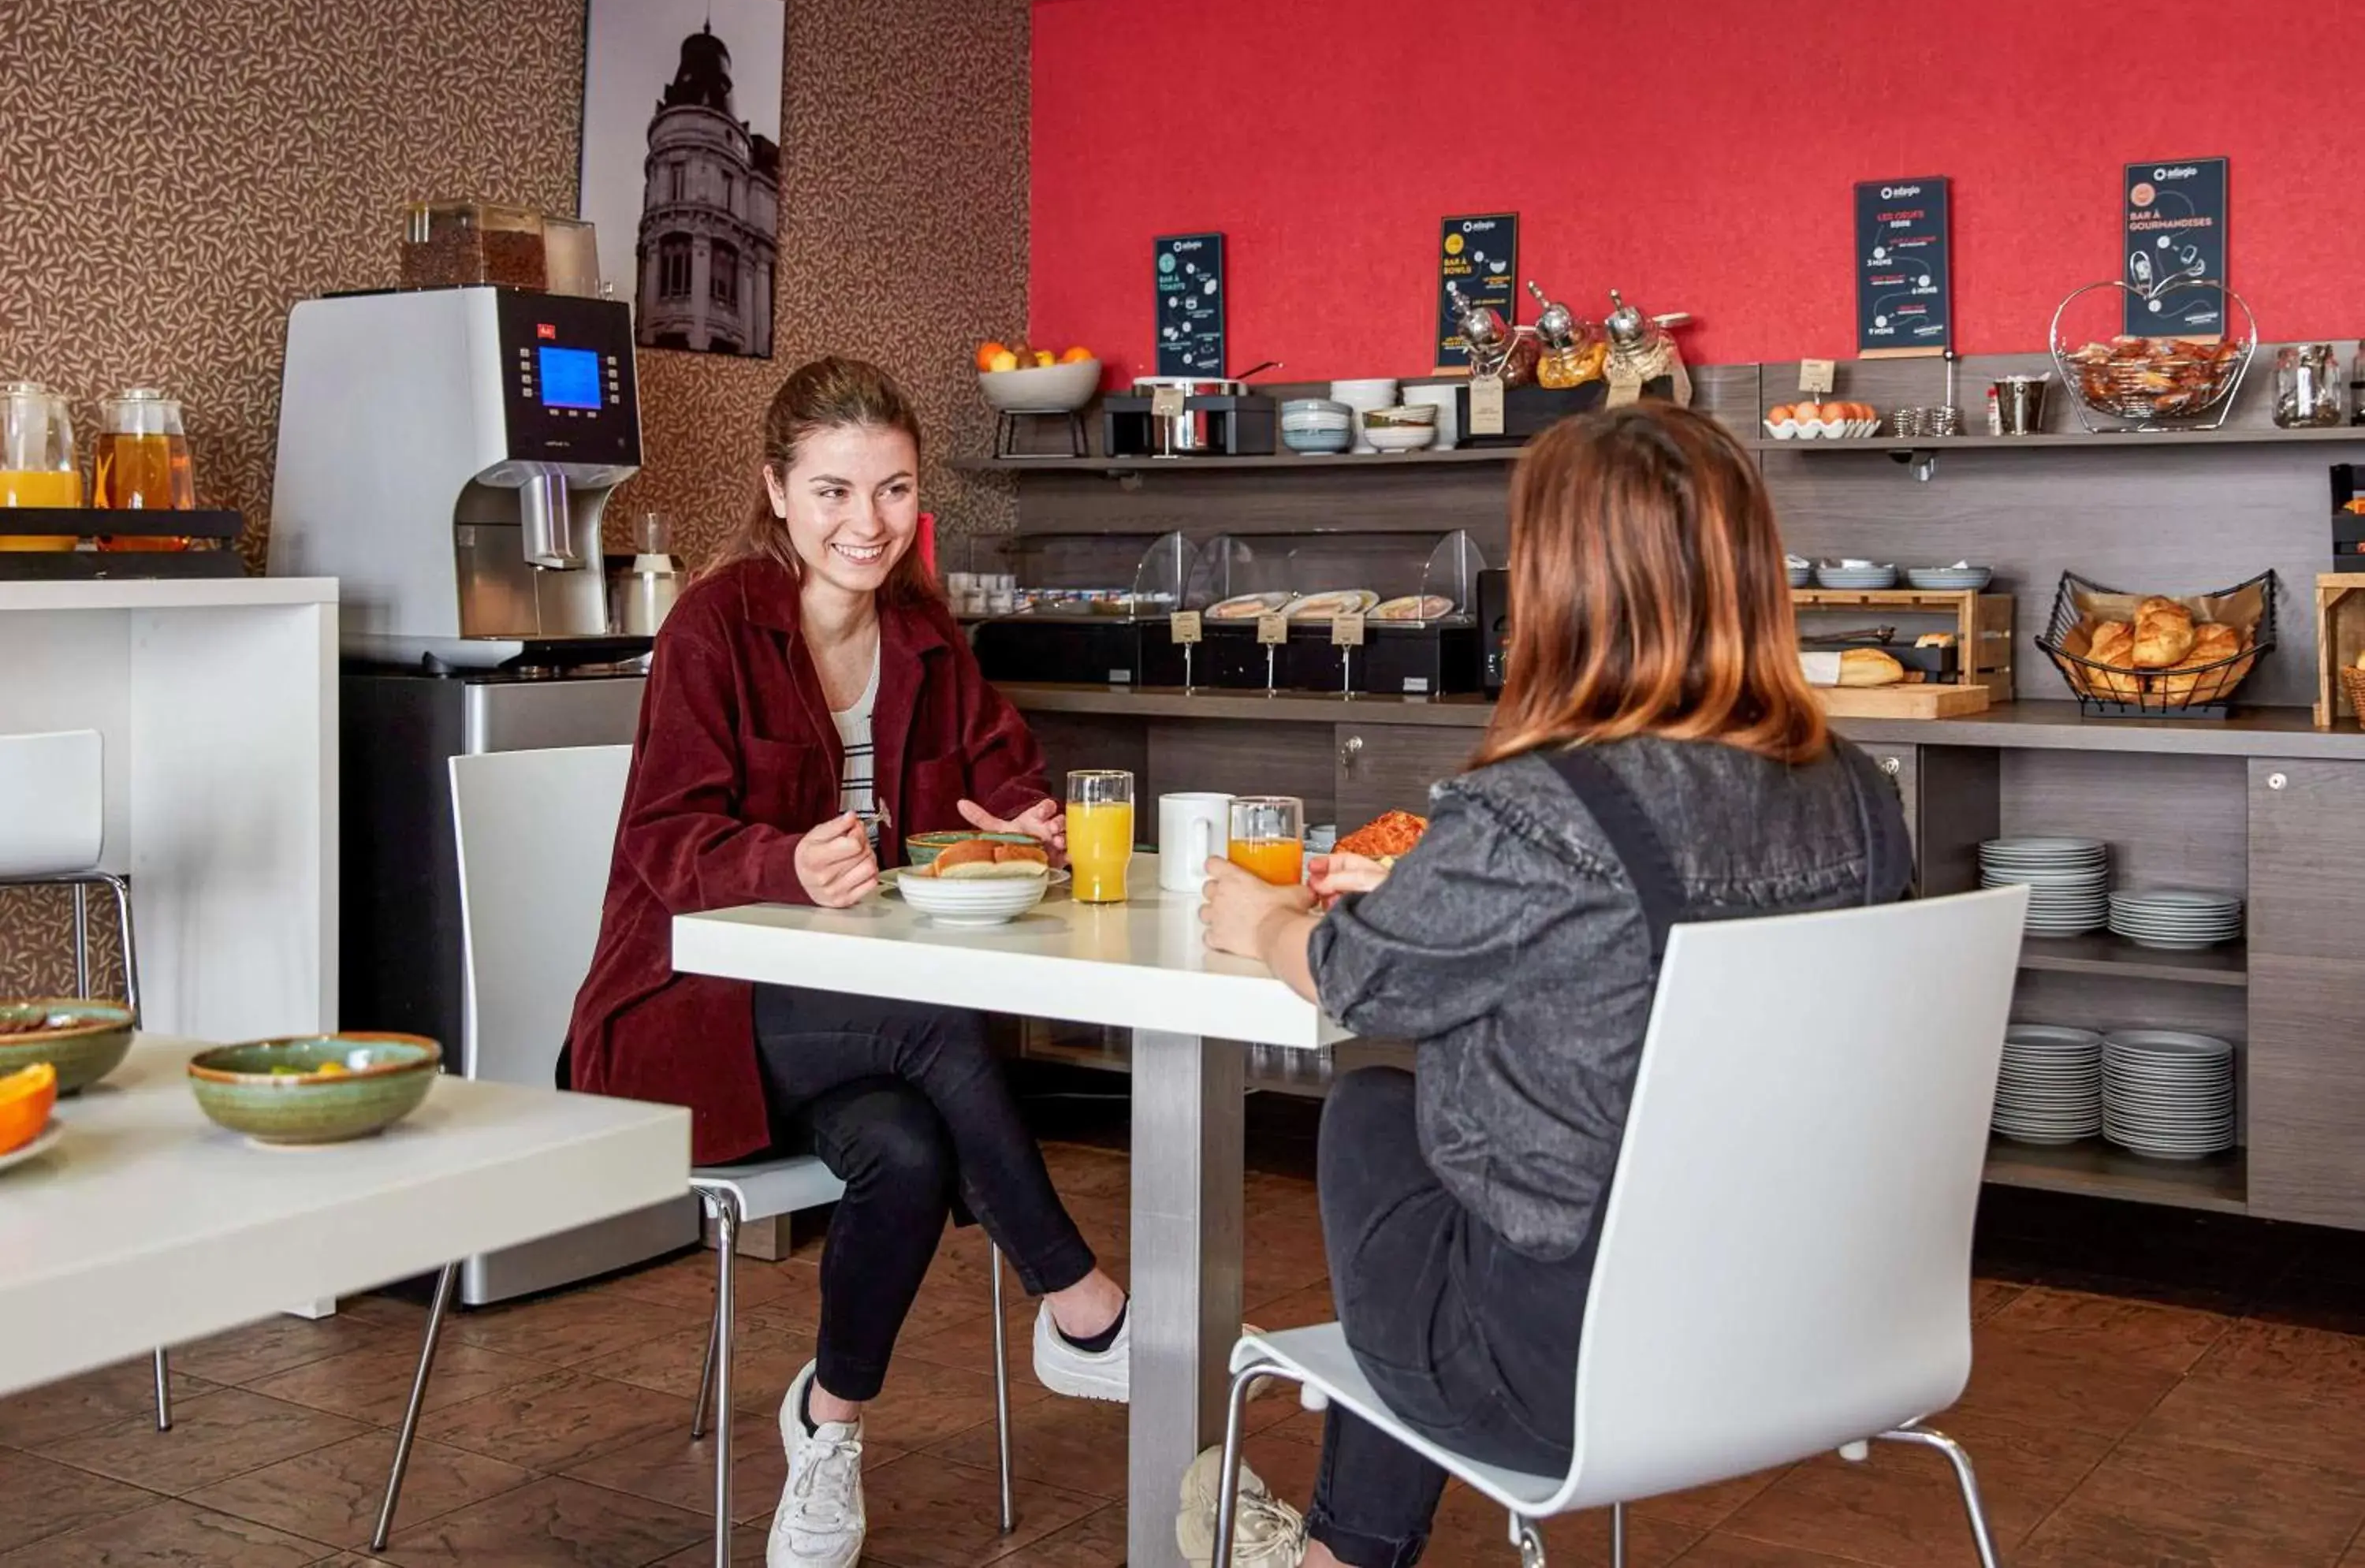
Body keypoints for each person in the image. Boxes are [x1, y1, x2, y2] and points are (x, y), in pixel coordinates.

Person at [1183, 403, 1913, 1568]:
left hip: (1568, 1370)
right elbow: (1627, 960)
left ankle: (1339, 1557)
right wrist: (1440, 888)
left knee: (1377, 1111)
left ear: (1563, 586)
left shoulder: (1544, 806)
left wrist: (1269, 914)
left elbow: (1354, 979)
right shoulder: (1865, 798)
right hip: (1806, 1338)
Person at [566, 357, 1130, 1568]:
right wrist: (781, 862)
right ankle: (1083, 1305)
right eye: (831, 490)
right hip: (684, 1015)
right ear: (776, 490)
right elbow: (664, 843)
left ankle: (828, 1425)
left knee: (912, 1150)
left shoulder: (922, 628)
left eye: (891, 491)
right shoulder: (713, 626)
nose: (864, 524)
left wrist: (1022, 821)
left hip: (850, 1018)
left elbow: (1003, 766)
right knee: (932, 1027)